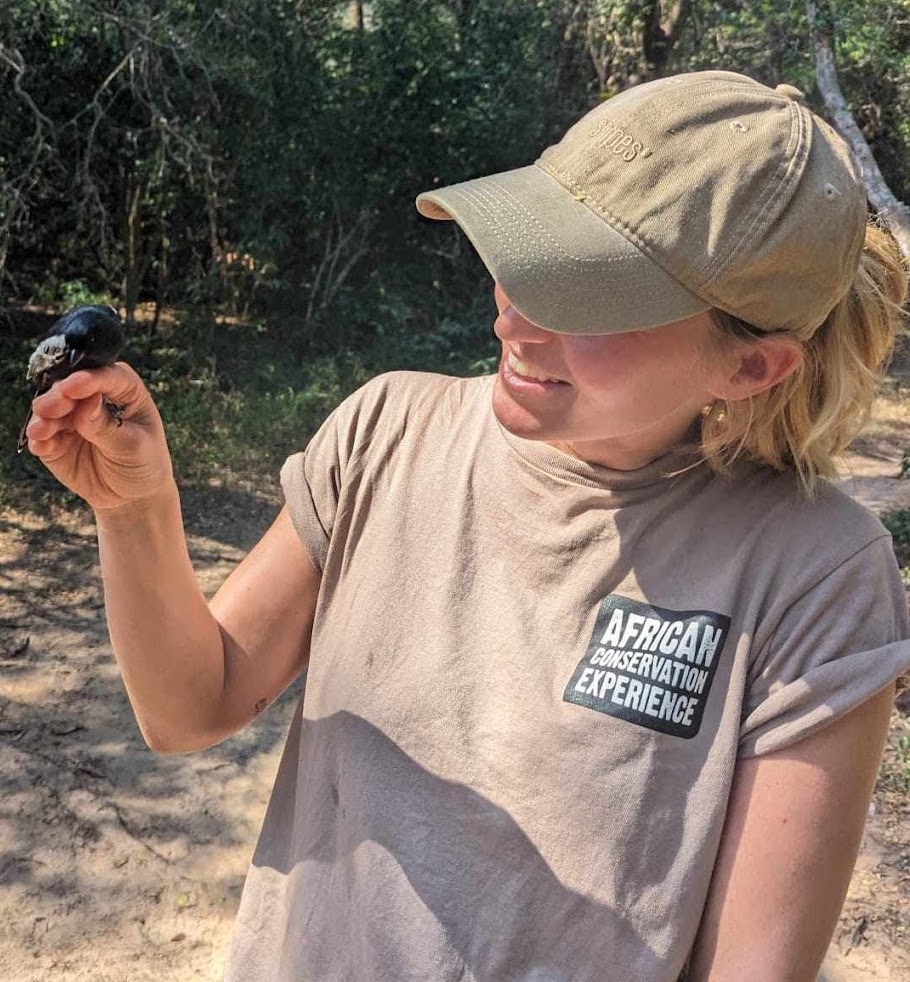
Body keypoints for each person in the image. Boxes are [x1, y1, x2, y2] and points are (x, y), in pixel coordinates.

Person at [23, 69, 910, 982]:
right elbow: (189, 708)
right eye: (530, 254)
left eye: (591, 298)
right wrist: (134, 509)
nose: (517, 320)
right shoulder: (387, 434)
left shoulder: (815, 576)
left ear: (751, 367)